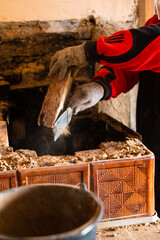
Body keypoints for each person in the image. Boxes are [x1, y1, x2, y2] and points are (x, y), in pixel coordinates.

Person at [48, 14, 160, 214]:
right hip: (153, 137)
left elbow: (146, 45)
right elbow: (132, 66)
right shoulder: (156, 20)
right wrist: (100, 86)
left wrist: (89, 51)